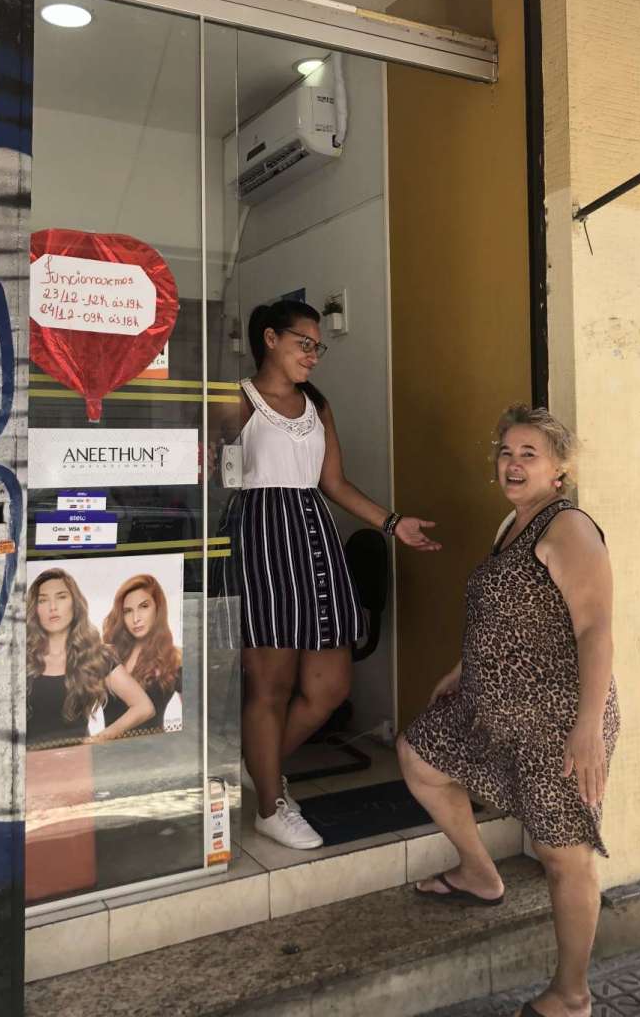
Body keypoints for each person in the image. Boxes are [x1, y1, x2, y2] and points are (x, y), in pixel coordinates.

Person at [397, 406, 619, 1017]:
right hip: (495, 705)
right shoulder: (512, 523)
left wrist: (588, 729)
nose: (513, 464)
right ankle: (479, 874)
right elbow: (512, 612)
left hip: (558, 718)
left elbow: (596, 628)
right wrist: (465, 669)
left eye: (530, 454)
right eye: (506, 452)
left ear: (559, 469)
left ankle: (571, 995)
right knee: (420, 754)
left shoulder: (567, 527)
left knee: (562, 854)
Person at [221, 298, 440, 850]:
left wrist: (393, 524)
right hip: (261, 535)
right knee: (268, 685)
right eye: (305, 343)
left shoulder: (317, 405)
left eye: (319, 346)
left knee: (329, 685)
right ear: (270, 339)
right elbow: (208, 471)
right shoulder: (236, 401)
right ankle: (270, 804)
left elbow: (334, 484)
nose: (314, 356)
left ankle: (261, 767)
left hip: (315, 537)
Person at [0, 569, 154, 750]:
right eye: (43, 600)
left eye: (61, 597)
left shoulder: (96, 656)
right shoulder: (15, 659)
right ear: (35, 609)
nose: (52, 607)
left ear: (75, 604)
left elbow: (143, 707)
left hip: (77, 767)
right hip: (27, 771)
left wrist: (100, 739)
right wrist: (4, 746)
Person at [101, 573, 182, 735]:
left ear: (158, 608)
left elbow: (194, 721)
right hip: (110, 753)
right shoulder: (109, 655)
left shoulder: (175, 658)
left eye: (144, 607)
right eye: (128, 611)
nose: (136, 618)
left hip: (155, 753)